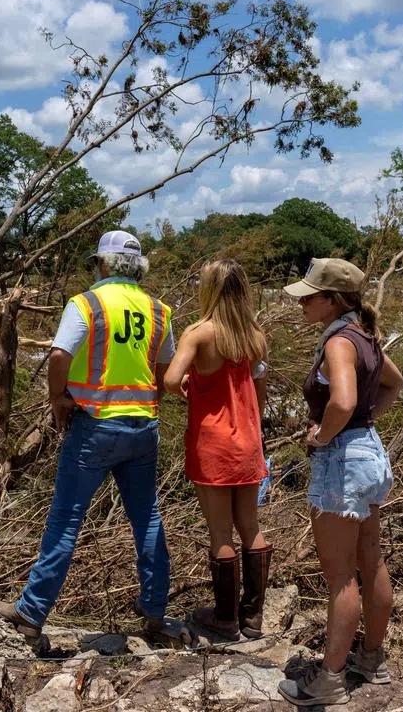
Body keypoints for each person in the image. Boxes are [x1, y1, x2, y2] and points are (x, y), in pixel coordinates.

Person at [0, 230, 175, 640]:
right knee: (147, 519)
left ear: (103, 264)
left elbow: (59, 354)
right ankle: (156, 611)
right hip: (143, 426)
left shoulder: (87, 303)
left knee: (66, 519)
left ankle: (32, 613)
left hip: (94, 425)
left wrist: (59, 397)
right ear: (138, 267)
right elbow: (166, 372)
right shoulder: (159, 310)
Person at [276, 258, 403, 706]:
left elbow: (344, 399)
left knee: (340, 578)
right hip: (369, 453)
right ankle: (371, 659)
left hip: (343, 460)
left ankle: (328, 681)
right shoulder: (365, 334)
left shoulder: (338, 342)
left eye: (309, 297)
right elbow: (394, 382)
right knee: (372, 561)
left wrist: (323, 434)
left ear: (332, 300)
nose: (302, 304)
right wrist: (364, 424)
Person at [162, 259, 271, 641]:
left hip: (213, 444)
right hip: (248, 442)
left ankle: (225, 620)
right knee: (251, 528)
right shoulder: (255, 335)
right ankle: (253, 618)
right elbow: (259, 393)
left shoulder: (199, 333)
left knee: (220, 532)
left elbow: (171, 379)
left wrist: (191, 387)